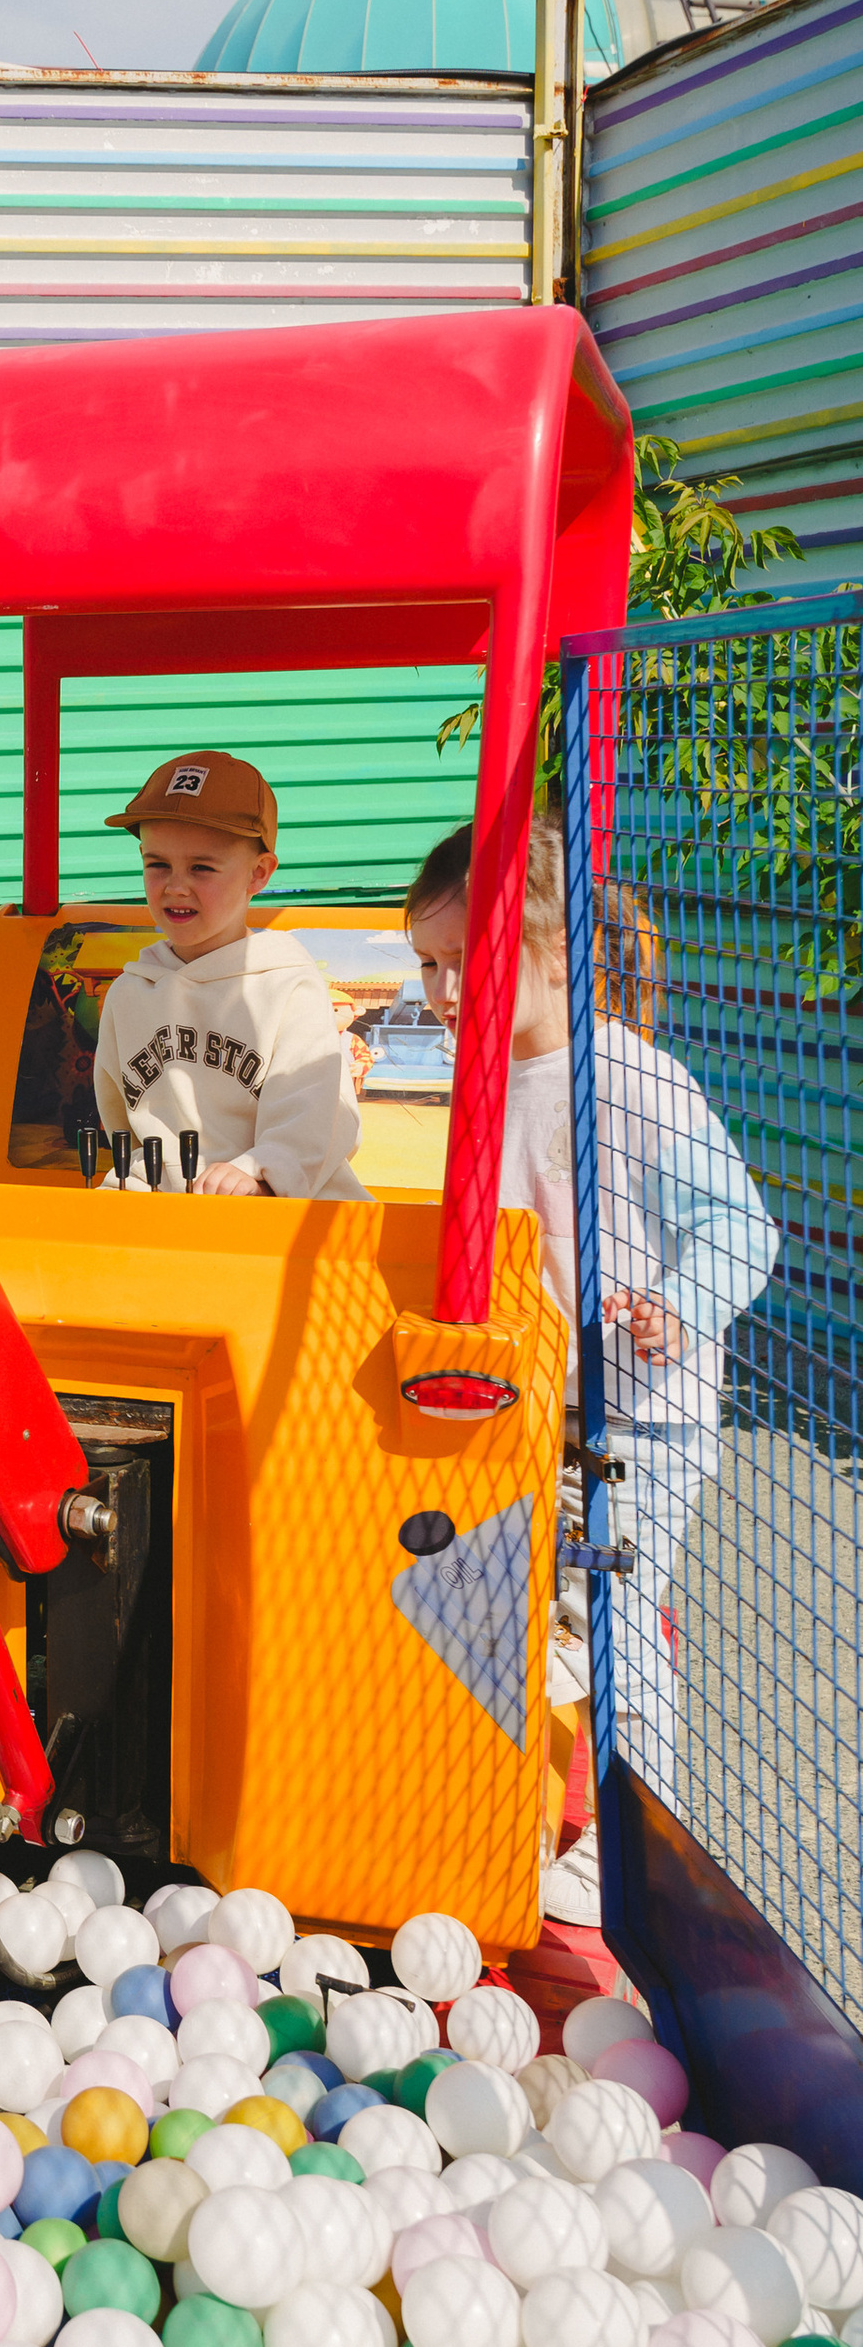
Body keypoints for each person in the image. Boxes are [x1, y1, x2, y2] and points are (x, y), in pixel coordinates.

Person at [402, 809, 778, 1922]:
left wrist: (677, 1301)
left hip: (641, 1418)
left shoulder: (631, 1084)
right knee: (464, 1593)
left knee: (610, 1622)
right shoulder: (478, 1079)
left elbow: (742, 1229)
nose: (441, 989)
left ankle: (637, 1844)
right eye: (427, 965)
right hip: (535, 1409)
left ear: (551, 947)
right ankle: (504, 1804)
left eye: (464, 961)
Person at [91, 749, 368, 1200]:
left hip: (281, 1202)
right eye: (158, 864)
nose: (175, 886)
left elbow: (318, 1111)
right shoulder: (129, 992)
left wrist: (260, 1171)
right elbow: (122, 1119)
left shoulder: (288, 984)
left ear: (258, 873)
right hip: (166, 1201)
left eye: (202, 867)